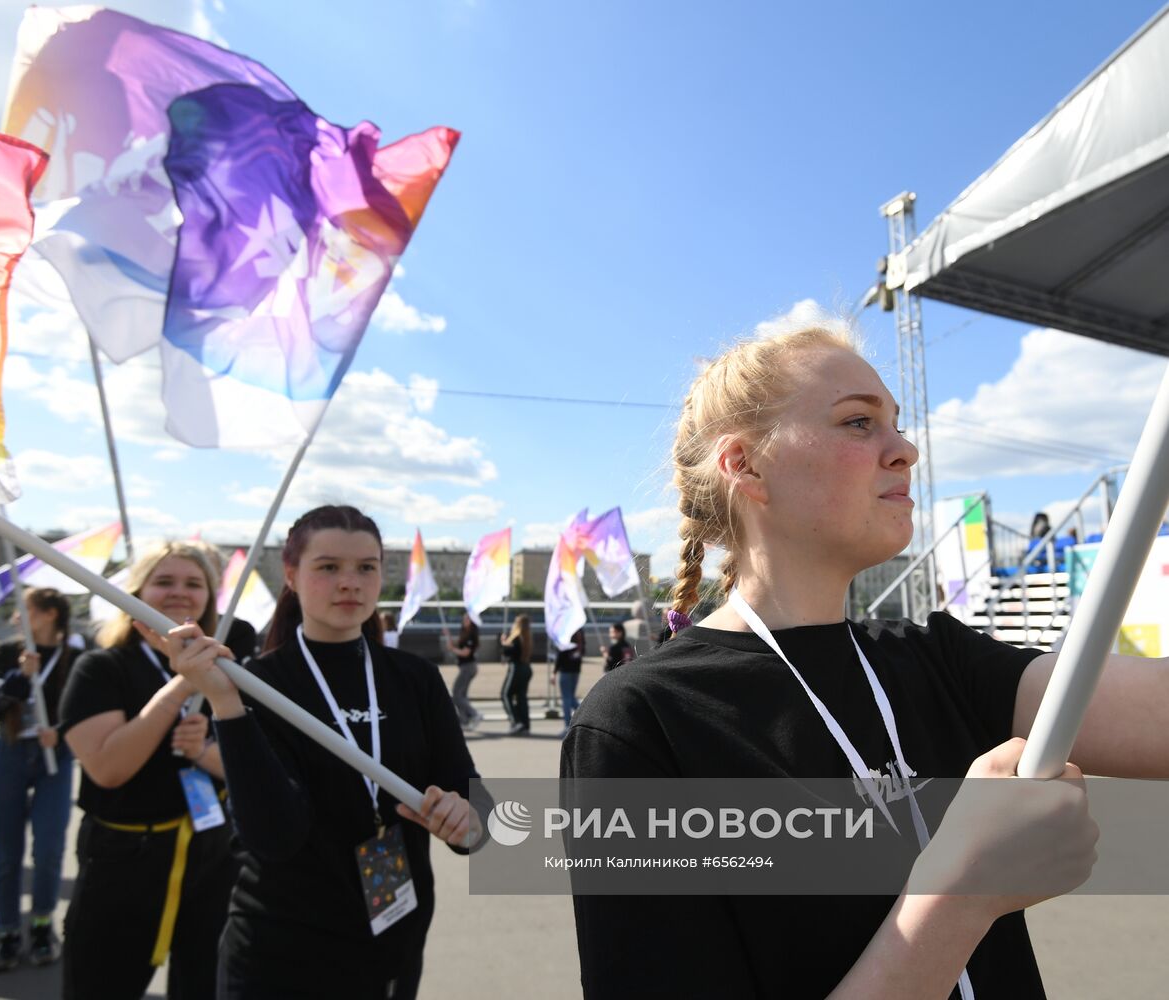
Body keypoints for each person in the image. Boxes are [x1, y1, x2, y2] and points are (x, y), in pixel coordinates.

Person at [563, 321, 1169, 998]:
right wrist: (962, 894)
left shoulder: (938, 662)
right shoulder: (643, 723)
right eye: (859, 422)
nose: (905, 448)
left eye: (897, 425)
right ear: (747, 466)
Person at [167, 504, 482, 999]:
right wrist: (226, 703)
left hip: (394, 939)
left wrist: (465, 818)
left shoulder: (414, 679)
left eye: (366, 568)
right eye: (329, 567)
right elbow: (274, 837)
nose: (350, 583)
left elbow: (476, 808)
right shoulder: (256, 683)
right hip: (282, 954)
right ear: (291, 575)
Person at [57, 542, 237, 999]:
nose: (180, 593)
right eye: (164, 582)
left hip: (212, 854)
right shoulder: (100, 668)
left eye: (194, 584)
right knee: (102, 985)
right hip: (125, 858)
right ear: (136, 594)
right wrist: (185, 682)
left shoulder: (232, 666)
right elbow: (107, 768)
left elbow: (249, 770)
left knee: (204, 986)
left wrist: (203, 753)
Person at [0, 587, 80, 972]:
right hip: (8, 753)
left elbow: (90, 708)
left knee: (50, 847)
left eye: (26, 608)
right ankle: (7, 933)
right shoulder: (8, 652)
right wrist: (18, 677)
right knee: (6, 853)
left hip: (56, 757)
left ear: (51, 613)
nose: (17, 616)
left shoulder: (77, 655)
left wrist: (63, 730)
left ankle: (41, 925)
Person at [447, 613, 482, 731]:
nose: (464, 620)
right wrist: (449, 638)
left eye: (467, 619)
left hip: (469, 667)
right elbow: (459, 648)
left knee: (456, 694)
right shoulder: (465, 634)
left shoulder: (472, 636)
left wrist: (453, 649)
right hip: (465, 667)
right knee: (462, 695)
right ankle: (464, 720)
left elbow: (465, 653)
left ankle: (474, 714)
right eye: (464, 618)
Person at [500, 614, 533, 735]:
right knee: (521, 697)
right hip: (526, 668)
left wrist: (503, 643)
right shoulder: (527, 637)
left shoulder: (516, 637)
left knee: (505, 694)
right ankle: (525, 724)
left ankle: (516, 721)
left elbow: (510, 651)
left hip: (516, 668)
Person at [552, 628, 585, 736]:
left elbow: (560, 656)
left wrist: (554, 672)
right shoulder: (580, 634)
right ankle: (584, 712)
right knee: (570, 697)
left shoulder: (566, 635)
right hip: (575, 670)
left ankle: (568, 725)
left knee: (566, 698)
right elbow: (582, 651)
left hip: (565, 670)